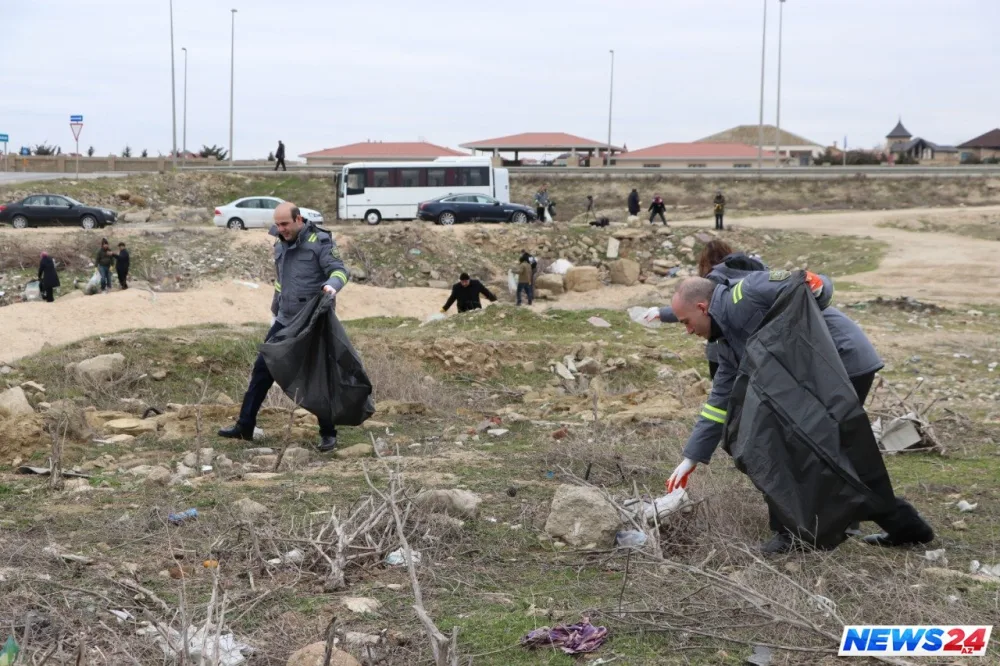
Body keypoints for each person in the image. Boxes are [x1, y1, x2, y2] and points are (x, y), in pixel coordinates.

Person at [666, 273, 934, 554]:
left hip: (838, 363)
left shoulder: (746, 292)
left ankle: (796, 534)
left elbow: (811, 284)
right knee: (821, 453)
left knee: (808, 451)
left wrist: (818, 285)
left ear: (701, 308)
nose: (688, 331)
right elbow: (718, 401)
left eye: (686, 322)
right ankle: (900, 526)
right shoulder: (725, 342)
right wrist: (691, 458)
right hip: (813, 376)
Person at [218, 202, 350, 452]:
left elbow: (340, 271)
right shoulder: (280, 243)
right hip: (284, 320)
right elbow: (282, 281)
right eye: (277, 225)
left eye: (285, 224)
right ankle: (245, 426)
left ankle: (328, 434)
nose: (281, 229)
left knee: (317, 377)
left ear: (299, 219)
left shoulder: (320, 242)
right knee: (262, 370)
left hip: (312, 321)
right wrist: (276, 305)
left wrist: (331, 286)